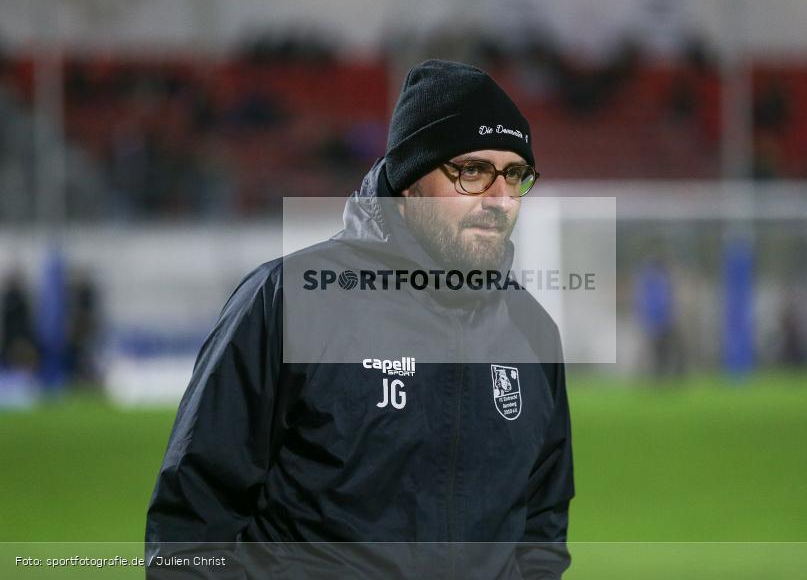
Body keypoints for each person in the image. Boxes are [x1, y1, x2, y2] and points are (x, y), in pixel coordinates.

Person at [146, 60, 574, 579]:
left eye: (514, 175)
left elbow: (542, 526)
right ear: (410, 179)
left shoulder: (531, 330)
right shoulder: (291, 300)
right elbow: (192, 525)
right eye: (472, 171)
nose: (499, 199)